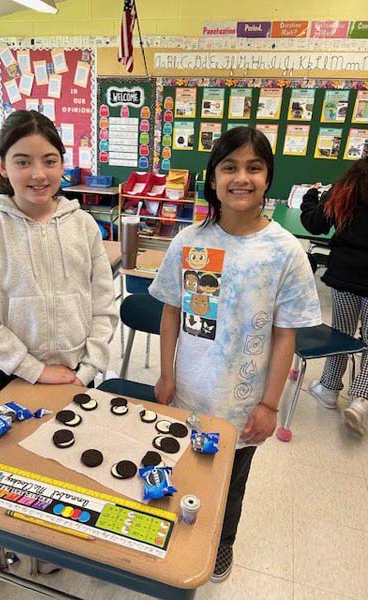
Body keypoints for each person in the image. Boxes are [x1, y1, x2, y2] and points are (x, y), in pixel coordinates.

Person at [149, 127, 321, 582]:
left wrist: (269, 404)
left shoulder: (285, 252)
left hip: (243, 404)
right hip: (188, 391)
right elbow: (171, 312)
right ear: (212, 178)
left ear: (268, 179)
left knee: (231, 484)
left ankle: (221, 545)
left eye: (253, 167)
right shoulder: (188, 241)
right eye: (229, 166)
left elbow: (286, 335)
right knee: (183, 468)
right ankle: (181, 535)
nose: (241, 177)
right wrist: (165, 374)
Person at [0, 110, 118, 390]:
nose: (38, 175)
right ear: (2, 165)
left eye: (49, 161)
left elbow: (104, 306)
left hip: (78, 374)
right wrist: (31, 368)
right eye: (23, 162)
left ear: (62, 164)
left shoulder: (83, 225)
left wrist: (88, 370)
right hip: (15, 373)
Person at [300, 159, 368, 435]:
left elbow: (314, 223)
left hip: (346, 273)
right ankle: (360, 398)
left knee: (341, 333)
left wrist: (310, 196)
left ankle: (328, 389)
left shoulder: (345, 190)